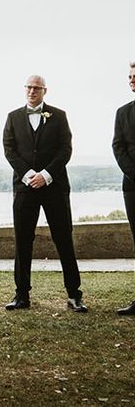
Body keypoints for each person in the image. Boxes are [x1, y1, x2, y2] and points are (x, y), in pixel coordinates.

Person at [2, 74, 87, 313]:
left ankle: (74, 295)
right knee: (22, 241)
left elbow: (65, 149)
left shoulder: (59, 116)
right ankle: (21, 295)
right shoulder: (13, 117)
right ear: (24, 89)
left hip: (55, 188)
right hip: (24, 188)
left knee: (64, 240)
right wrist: (29, 175)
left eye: (37, 88)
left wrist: (46, 175)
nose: (32, 91)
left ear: (44, 91)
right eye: (29, 87)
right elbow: (9, 150)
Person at [112, 62, 135, 315]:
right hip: (132, 187)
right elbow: (118, 146)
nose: (131, 80)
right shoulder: (122, 112)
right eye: (129, 76)